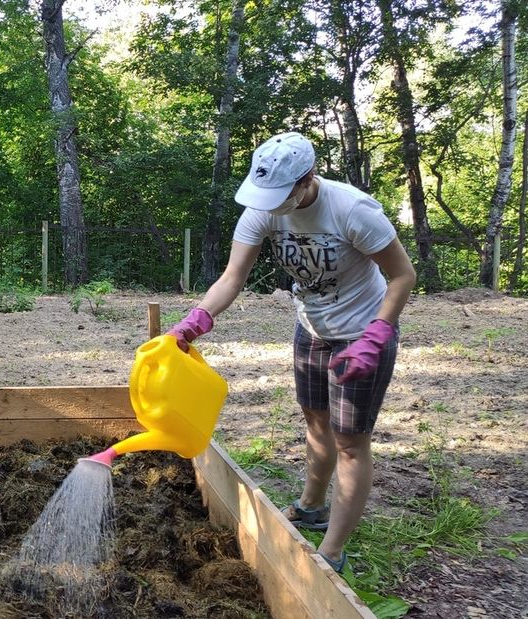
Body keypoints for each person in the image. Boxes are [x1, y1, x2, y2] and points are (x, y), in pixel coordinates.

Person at [166, 131, 416, 574]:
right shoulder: (263, 209)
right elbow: (232, 277)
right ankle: (311, 506)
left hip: (362, 334)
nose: (271, 203)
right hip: (312, 329)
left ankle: (332, 552)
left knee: (351, 443)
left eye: (283, 194)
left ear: (307, 180)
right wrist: (196, 319)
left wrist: (377, 334)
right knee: (316, 421)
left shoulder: (352, 210)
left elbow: (402, 276)